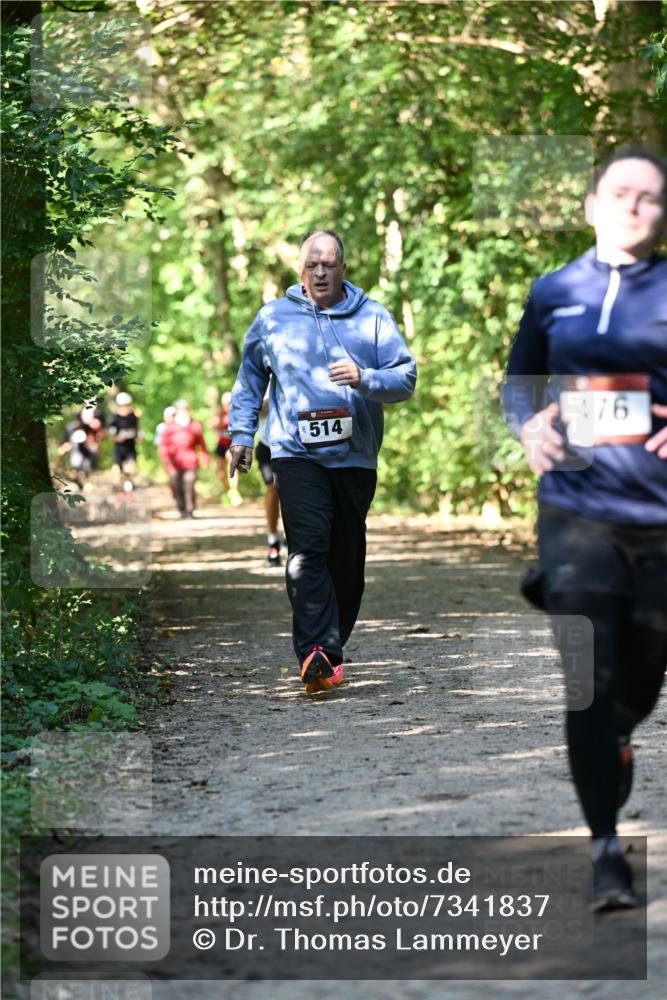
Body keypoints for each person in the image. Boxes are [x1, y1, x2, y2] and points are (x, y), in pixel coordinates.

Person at [503, 148, 667, 913]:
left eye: (650, 198)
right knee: (584, 681)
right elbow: (520, 384)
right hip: (574, 510)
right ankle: (605, 851)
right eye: (621, 192)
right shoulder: (553, 292)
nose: (634, 206)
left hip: (658, 517)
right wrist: (528, 428)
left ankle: (619, 734)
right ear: (591, 205)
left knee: (640, 675)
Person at [229, 229, 417, 693]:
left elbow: (405, 379)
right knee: (308, 548)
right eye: (312, 265)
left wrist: (365, 378)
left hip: (355, 457)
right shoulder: (273, 318)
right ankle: (317, 651)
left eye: (328, 265)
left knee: (346, 557)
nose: (319, 273)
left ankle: (329, 646)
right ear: (300, 271)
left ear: (343, 269)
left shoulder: (372, 317)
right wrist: (242, 434)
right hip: (295, 453)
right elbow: (250, 378)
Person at [158, 399, 210, 518]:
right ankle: (181, 508)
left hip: (191, 461)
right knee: (176, 485)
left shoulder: (195, 425)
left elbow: (202, 444)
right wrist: (166, 459)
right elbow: (163, 445)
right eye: (181, 410)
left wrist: (205, 458)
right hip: (174, 463)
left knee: (189, 483)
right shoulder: (170, 427)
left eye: (185, 410)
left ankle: (190, 509)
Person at [256, 395, 282, 566]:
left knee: (293, 494)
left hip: (294, 444)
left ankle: (293, 538)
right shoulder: (264, 381)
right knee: (273, 491)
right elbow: (254, 408)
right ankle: (273, 542)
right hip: (267, 446)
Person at [212, 391, 242, 507]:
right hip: (221, 444)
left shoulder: (237, 413)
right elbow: (213, 426)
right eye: (226, 401)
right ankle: (224, 492)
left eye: (230, 401)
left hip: (232, 444)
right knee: (221, 470)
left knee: (232, 465)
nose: (228, 403)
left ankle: (233, 492)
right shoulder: (219, 413)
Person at [108, 391, 140, 491]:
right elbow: (111, 430)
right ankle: (118, 487)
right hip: (119, 448)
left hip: (130, 447)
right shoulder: (115, 418)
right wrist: (116, 437)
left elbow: (137, 429)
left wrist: (138, 436)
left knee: (130, 468)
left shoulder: (133, 416)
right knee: (117, 471)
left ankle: (129, 483)